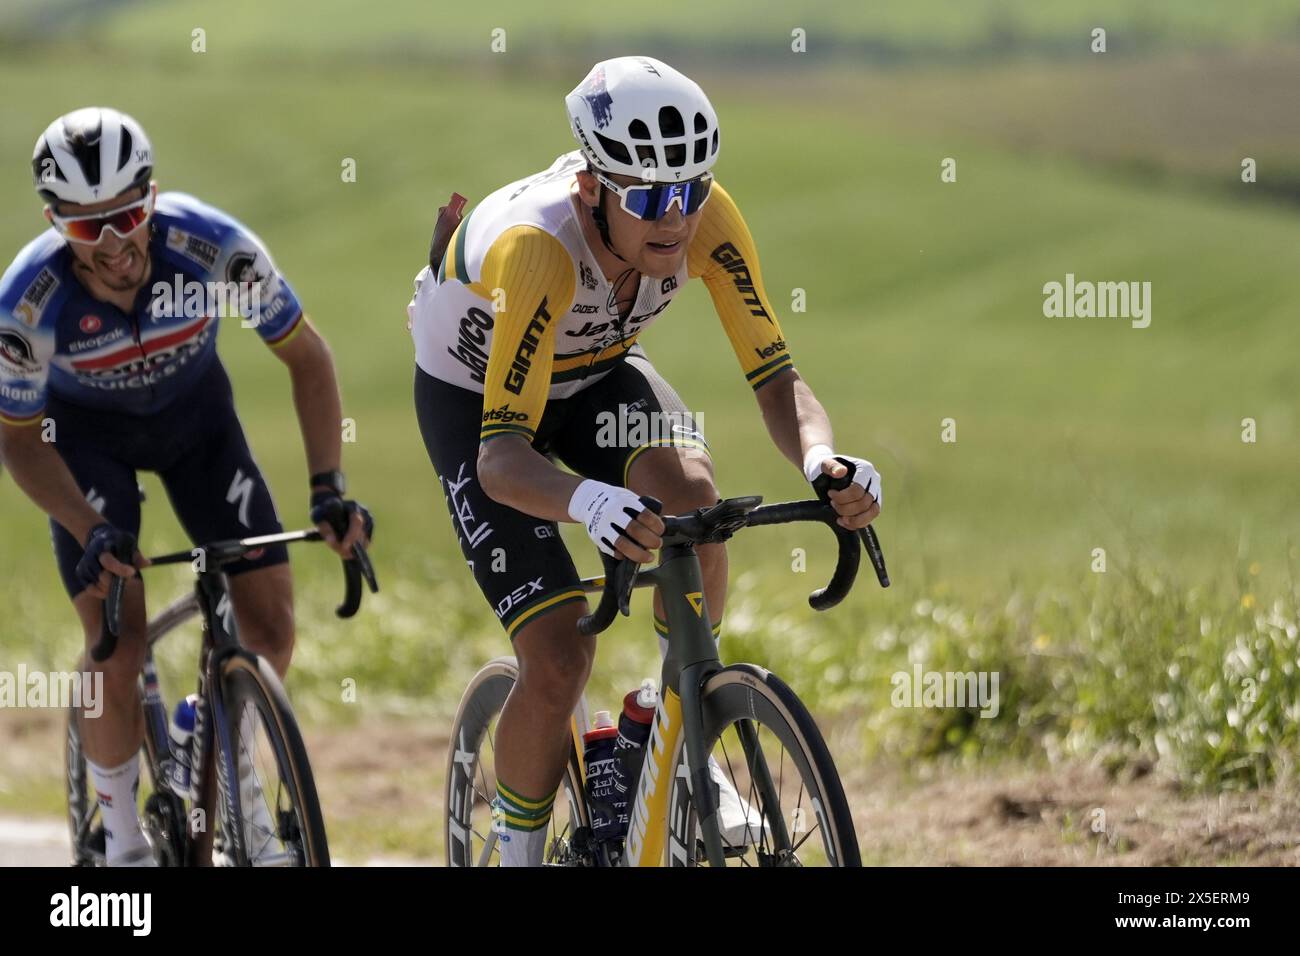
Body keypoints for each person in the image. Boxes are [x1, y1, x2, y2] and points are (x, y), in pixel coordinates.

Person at [409, 57, 881, 865]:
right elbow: (502, 464)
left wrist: (823, 458)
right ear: (593, 188)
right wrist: (589, 503)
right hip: (479, 405)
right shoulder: (538, 251)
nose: (678, 219)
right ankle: (519, 846)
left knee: (696, 503)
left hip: (595, 374)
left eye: (692, 191)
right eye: (652, 198)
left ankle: (668, 715)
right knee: (559, 655)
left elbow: (777, 379)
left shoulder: (708, 220)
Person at [0, 107, 371, 865]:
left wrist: (327, 486)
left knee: (267, 631)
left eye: (129, 216)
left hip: (199, 427)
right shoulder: (26, 305)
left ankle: (227, 768)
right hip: (83, 446)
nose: (113, 245)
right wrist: (84, 523)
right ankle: (124, 842)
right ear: (55, 223)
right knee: (117, 639)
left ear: (153, 199)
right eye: (86, 228)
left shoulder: (211, 246)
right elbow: (17, 440)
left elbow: (309, 358)